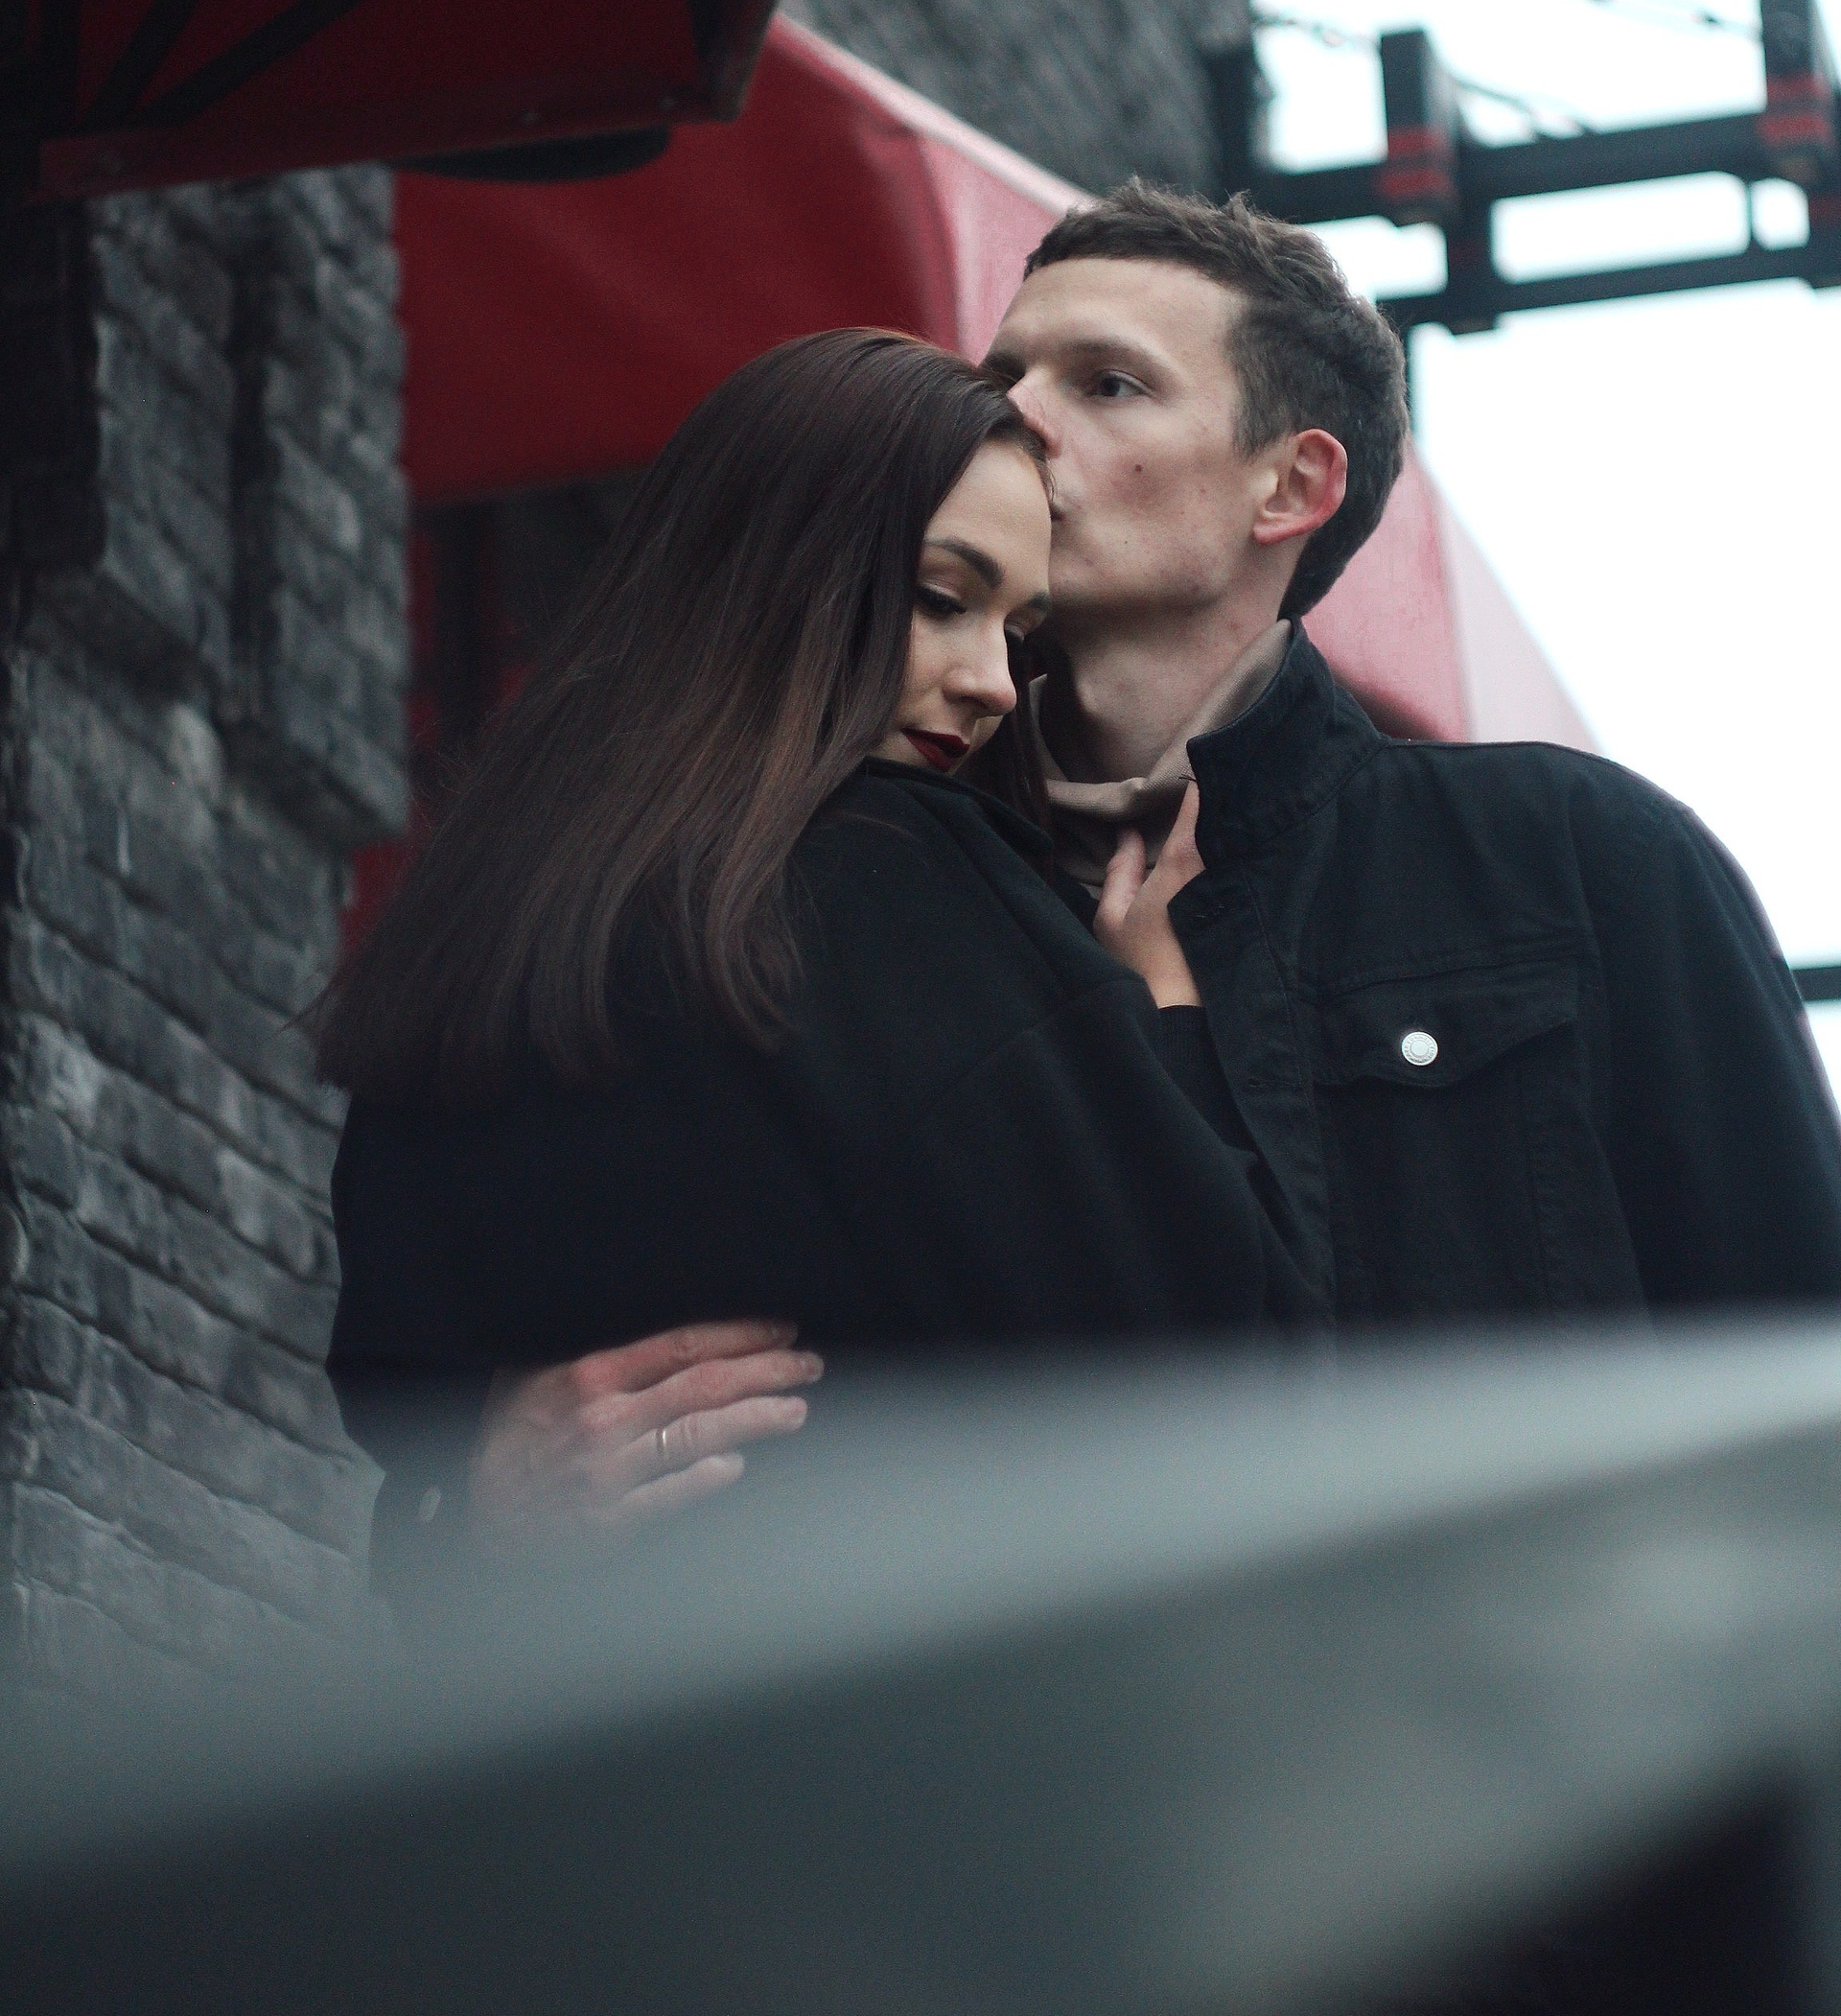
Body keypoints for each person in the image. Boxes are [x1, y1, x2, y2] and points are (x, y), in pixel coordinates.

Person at [476, 182, 1841, 1528]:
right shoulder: (824, 874)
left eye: (1108, 384)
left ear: (1290, 485)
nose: (1017, 416)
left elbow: (1800, 1377)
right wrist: (475, 1486)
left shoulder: (1574, 865)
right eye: (1002, 373)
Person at [323, 328, 1312, 1578]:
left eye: (1019, 632)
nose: (996, 684)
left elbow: (399, 1420)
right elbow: (1228, 1366)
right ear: (779, 574)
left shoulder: (482, 922)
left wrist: (472, 1496)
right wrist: (1161, 1006)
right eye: (943, 600)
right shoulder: (887, 871)